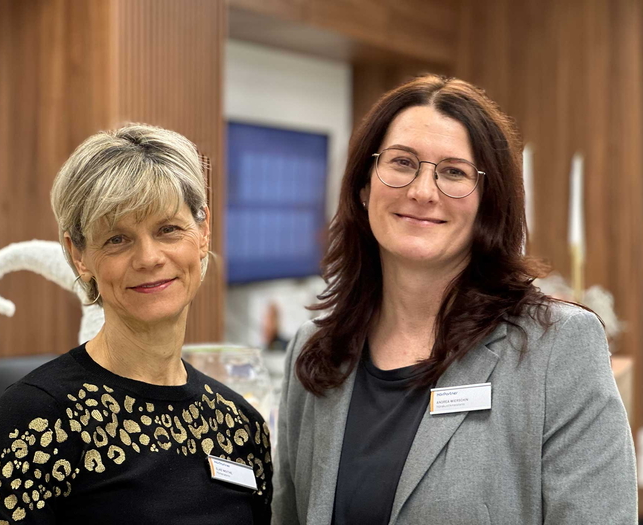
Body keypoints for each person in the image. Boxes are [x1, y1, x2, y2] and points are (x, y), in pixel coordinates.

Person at [272, 75, 637, 525]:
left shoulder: (558, 346)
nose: (422, 191)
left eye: (453, 172)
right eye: (402, 162)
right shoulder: (314, 350)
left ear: (488, 203)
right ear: (364, 187)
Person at [0, 124, 273, 524]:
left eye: (168, 229)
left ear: (203, 232)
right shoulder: (36, 419)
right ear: (79, 255)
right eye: (117, 239)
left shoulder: (240, 424)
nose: (149, 258)